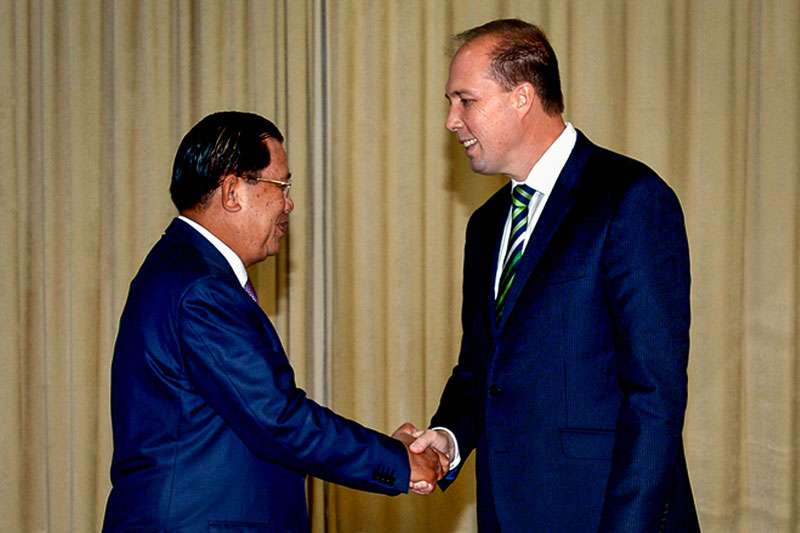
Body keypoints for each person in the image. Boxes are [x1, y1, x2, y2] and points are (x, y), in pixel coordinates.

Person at [399, 19, 700, 532]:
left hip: (602, 515)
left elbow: (654, 396)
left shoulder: (629, 197)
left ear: (522, 97)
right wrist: (447, 437)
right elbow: (479, 369)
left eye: (465, 100)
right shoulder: (487, 224)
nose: (451, 120)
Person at [102, 111, 446, 532]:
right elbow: (277, 419)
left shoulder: (185, 270)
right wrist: (398, 463)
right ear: (232, 191)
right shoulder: (199, 289)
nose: (289, 203)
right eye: (281, 185)